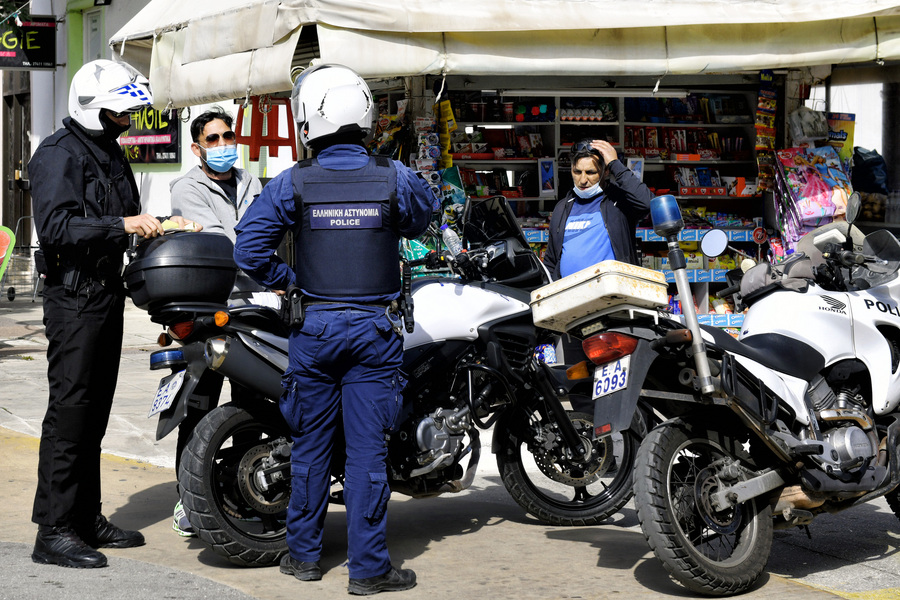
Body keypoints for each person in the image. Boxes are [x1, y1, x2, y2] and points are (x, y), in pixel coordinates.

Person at [233, 64, 435, 595]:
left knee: (309, 447)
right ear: (365, 116)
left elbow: (248, 248)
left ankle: (303, 557)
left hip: (315, 329)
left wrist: (290, 281)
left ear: (308, 119)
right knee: (367, 455)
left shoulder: (291, 182)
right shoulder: (395, 177)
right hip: (374, 331)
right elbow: (424, 216)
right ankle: (368, 571)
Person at [28, 59, 200, 569]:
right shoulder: (57, 154)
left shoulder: (109, 152)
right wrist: (124, 223)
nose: (127, 121)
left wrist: (163, 225)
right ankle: (53, 529)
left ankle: (85, 517)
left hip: (104, 296)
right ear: (92, 108)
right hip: (73, 298)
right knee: (70, 413)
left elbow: (125, 221)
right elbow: (57, 227)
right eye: (118, 113)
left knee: (96, 412)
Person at [168, 107, 264, 537]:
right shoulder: (185, 187)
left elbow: (269, 236)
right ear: (197, 147)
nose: (224, 145)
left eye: (228, 137)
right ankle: (188, 497)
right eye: (214, 139)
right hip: (209, 307)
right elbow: (224, 243)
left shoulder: (251, 182)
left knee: (255, 402)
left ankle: (246, 495)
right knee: (199, 404)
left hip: (254, 306)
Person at [542, 138, 653, 279]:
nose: (582, 180)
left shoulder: (619, 202)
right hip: (570, 296)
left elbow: (648, 203)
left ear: (606, 171)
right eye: (577, 172)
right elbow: (551, 260)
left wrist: (615, 164)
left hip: (612, 296)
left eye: (590, 172)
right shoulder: (562, 207)